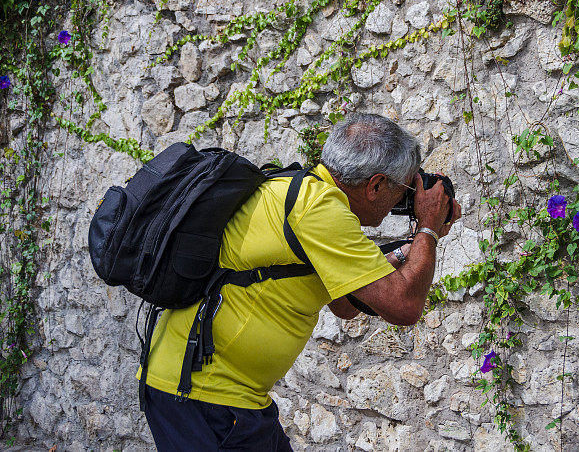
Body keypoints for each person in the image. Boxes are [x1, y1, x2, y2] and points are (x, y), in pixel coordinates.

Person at [140, 113, 462, 451]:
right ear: (376, 185)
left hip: (218, 392)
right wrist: (427, 227)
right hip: (205, 394)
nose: (404, 200)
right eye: (406, 189)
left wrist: (403, 253)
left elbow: (344, 305)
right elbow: (404, 306)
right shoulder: (320, 210)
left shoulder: (299, 188)